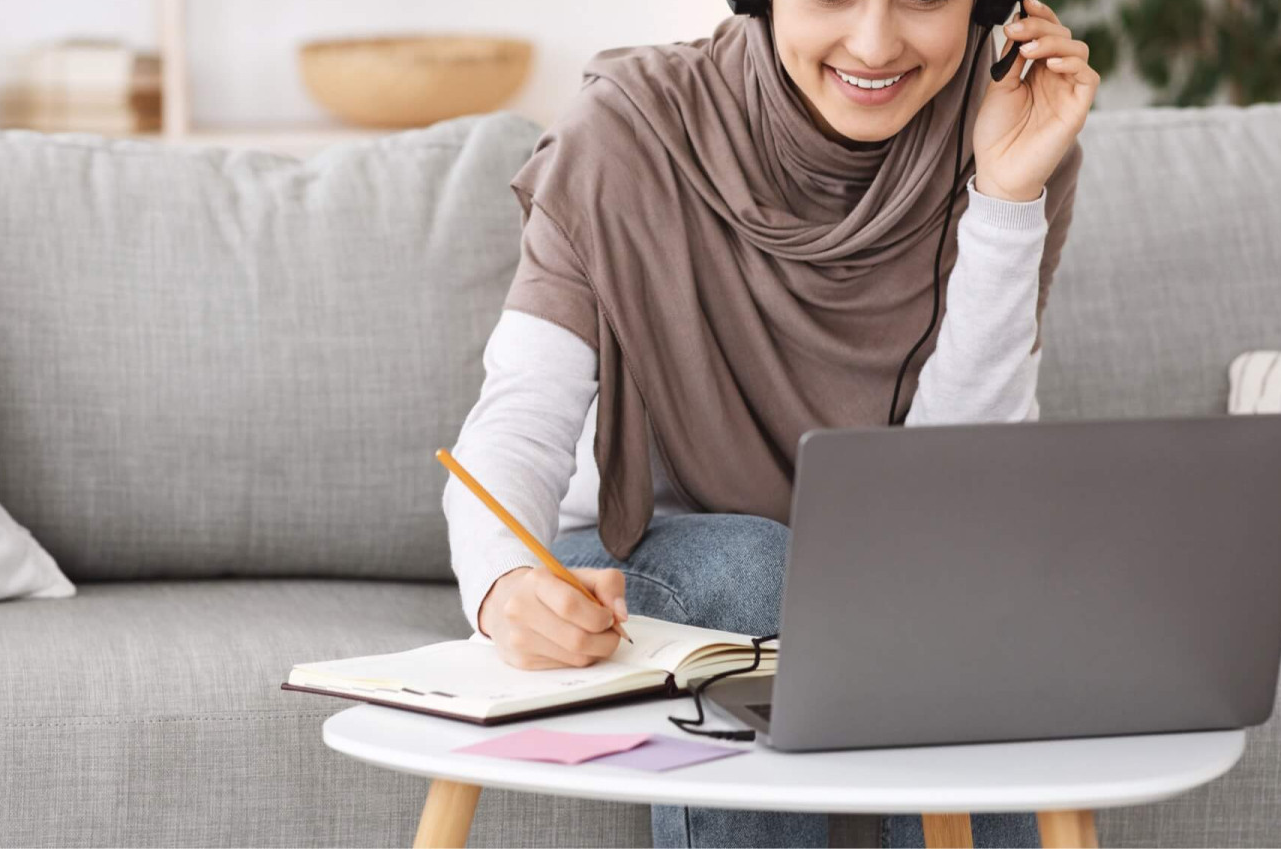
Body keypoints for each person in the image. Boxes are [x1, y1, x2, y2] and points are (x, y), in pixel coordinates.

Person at [445, 0, 1098, 845]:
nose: (874, 42)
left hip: (878, 566)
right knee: (762, 569)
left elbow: (954, 494)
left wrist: (1006, 199)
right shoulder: (626, 131)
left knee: (987, 605)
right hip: (644, 556)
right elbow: (520, 418)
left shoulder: (1012, 124)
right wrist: (505, 585)